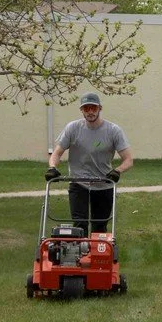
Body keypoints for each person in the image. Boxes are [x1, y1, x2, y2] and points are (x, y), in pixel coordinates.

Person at [45, 91, 133, 232]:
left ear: (100, 109)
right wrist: (52, 168)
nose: (90, 112)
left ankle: (99, 253)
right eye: (86, 108)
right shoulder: (72, 128)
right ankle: (80, 252)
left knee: (100, 226)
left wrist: (117, 171)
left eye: (94, 108)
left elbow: (128, 160)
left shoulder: (113, 131)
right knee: (80, 225)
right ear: (82, 110)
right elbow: (56, 153)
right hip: (79, 183)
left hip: (104, 184)